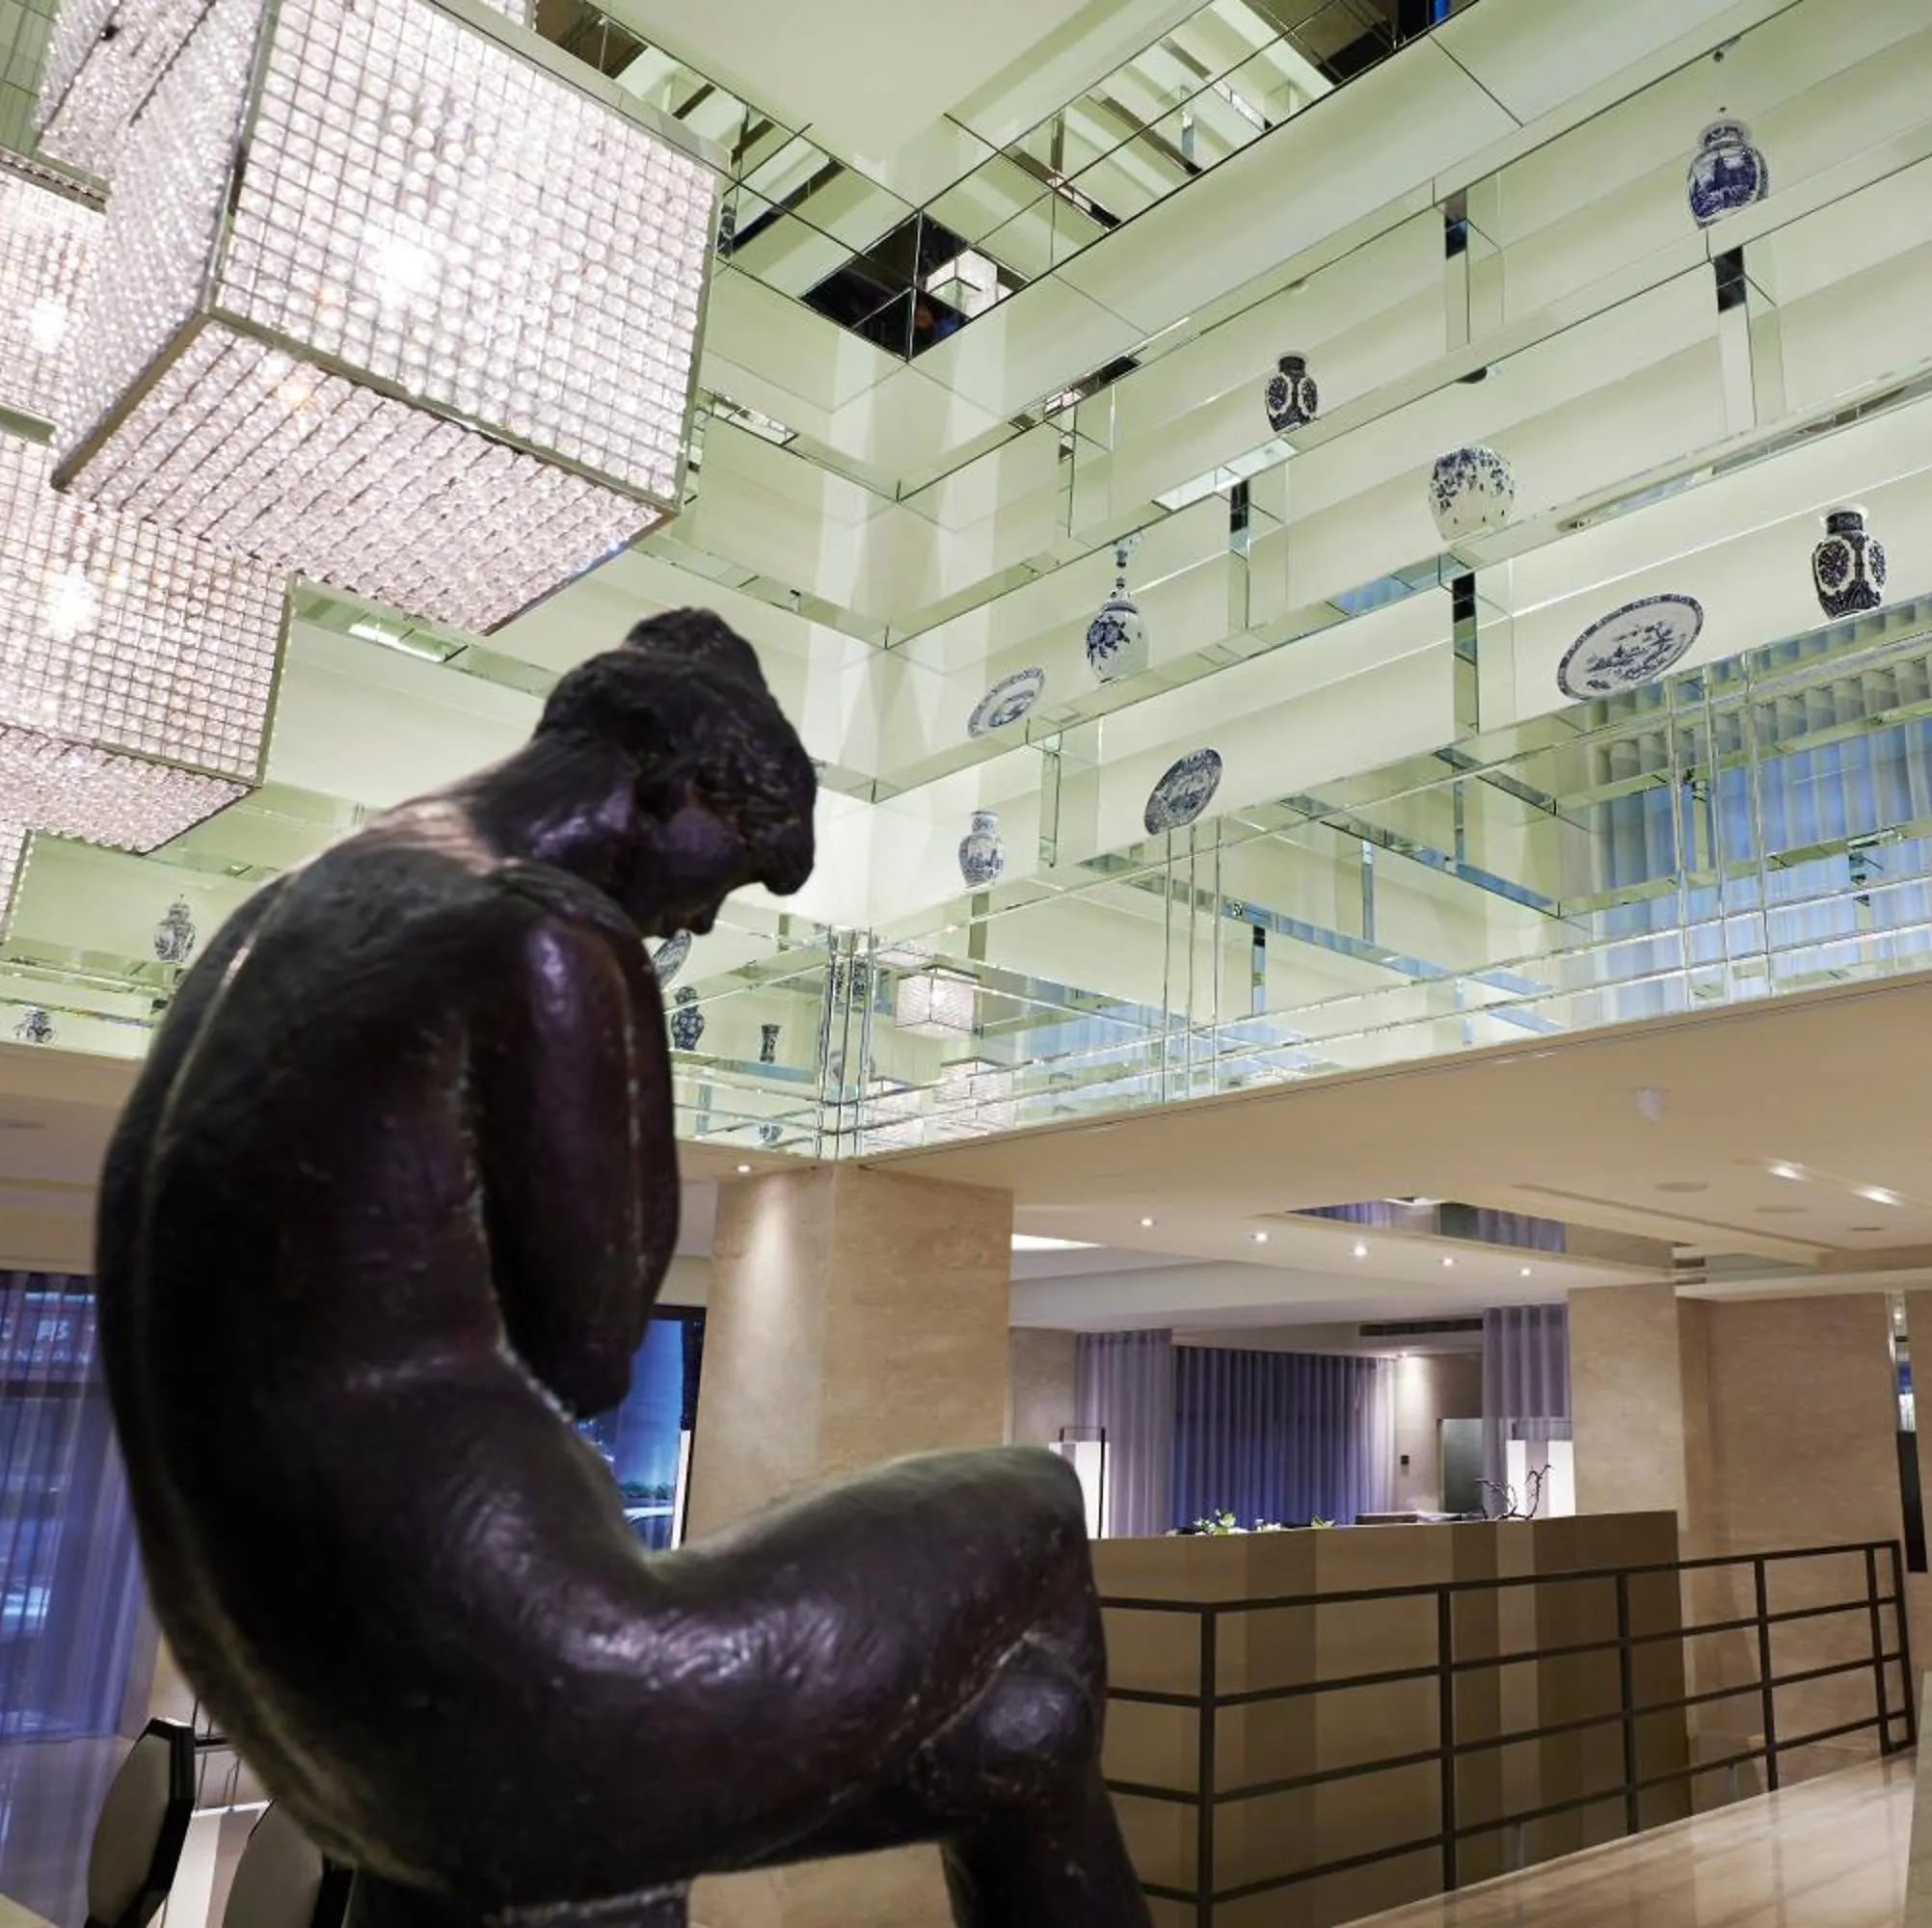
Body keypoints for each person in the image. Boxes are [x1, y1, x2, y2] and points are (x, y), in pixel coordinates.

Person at [94, 611, 1148, 1927]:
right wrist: (614, 1020)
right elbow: (591, 1341)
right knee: (1037, 1506)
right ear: (672, 783)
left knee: (1027, 1735)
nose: (694, 921)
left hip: (342, 1744)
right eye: (718, 882)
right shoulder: (543, 925)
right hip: (539, 1686)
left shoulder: (286, 914)